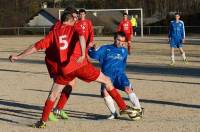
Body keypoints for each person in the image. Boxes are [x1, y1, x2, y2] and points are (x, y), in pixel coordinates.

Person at [9, 11, 137, 128]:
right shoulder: (75, 28)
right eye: (74, 19)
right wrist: (82, 54)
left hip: (66, 70)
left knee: (53, 94)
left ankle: (42, 121)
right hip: (81, 66)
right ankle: (123, 107)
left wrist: (18, 56)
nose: (76, 21)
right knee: (107, 81)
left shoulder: (53, 33)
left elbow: (36, 46)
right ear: (70, 20)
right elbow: (81, 37)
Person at [48, 8, 95, 121]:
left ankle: (58, 108)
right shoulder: (58, 26)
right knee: (57, 85)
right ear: (68, 16)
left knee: (71, 83)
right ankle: (49, 111)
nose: (76, 18)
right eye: (74, 16)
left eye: (76, 16)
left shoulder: (74, 26)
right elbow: (54, 43)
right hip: (55, 60)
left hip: (66, 60)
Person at [88, 31, 143, 120]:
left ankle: (138, 109)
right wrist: (91, 49)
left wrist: (121, 71)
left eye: (122, 41)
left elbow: (124, 62)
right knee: (105, 93)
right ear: (114, 39)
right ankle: (114, 113)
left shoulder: (124, 51)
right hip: (107, 76)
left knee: (128, 89)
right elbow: (94, 55)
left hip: (120, 75)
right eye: (118, 40)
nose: (120, 43)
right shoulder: (105, 48)